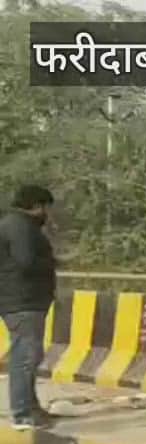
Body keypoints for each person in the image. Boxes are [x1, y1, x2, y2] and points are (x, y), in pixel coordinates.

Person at [0, 184, 57, 430]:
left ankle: (31, 408)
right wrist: (52, 262)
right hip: (23, 301)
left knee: (29, 354)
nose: (48, 214)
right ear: (36, 206)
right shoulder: (21, 228)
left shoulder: (12, 224)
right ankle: (23, 412)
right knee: (25, 356)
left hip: (19, 300)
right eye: (46, 208)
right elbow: (26, 262)